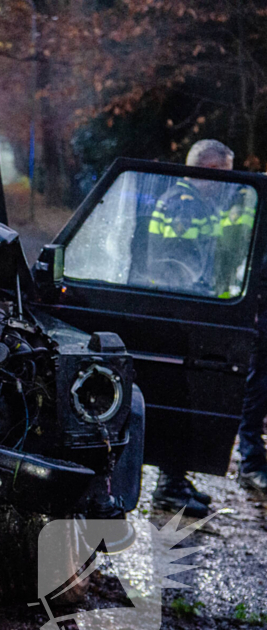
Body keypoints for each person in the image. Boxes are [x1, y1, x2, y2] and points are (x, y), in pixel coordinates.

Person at [148, 140, 251, 517]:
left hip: (186, 313)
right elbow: (179, 265)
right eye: (221, 174)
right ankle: (170, 487)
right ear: (203, 170)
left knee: (188, 396)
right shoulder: (185, 206)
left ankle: (175, 479)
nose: (225, 183)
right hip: (181, 315)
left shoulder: (196, 203)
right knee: (181, 398)